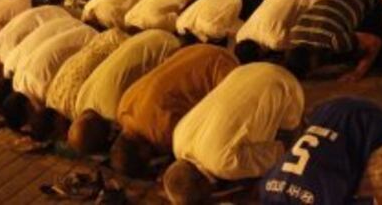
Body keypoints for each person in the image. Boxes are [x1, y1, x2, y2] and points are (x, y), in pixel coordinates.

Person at [163, 63, 305, 201]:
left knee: (289, 161)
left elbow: (278, 153)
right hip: (246, 70)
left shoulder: (223, 164)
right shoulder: (178, 140)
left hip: (283, 84)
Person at [108, 44, 239, 178]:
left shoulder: (161, 133)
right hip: (197, 49)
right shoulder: (122, 108)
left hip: (223, 70)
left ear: (143, 153)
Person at [285, 0, 382, 82]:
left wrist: (357, 73)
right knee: (345, 50)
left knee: (378, 58)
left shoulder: (334, 39)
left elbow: (374, 42)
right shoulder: (295, 34)